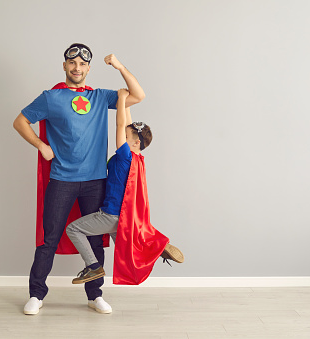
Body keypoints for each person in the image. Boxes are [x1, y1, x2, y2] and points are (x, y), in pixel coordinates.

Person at [13, 43, 145, 315]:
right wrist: (40, 144)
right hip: (62, 180)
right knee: (48, 239)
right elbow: (20, 121)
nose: (77, 68)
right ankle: (36, 295)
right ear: (64, 66)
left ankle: (94, 295)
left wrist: (119, 67)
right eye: (72, 63)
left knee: (96, 241)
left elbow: (137, 95)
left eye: (82, 64)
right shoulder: (51, 98)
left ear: (88, 68)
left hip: (96, 182)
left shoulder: (99, 97)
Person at [65, 89, 184, 292]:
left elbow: (120, 125)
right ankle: (155, 247)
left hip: (111, 215)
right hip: (124, 220)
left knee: (73, 229)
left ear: (135, 142)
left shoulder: (124, 156)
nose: (123, 136)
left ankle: (93, 267)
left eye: (127, 136)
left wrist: (121, 99)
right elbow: (127, 125)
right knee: (128, 248)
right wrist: (127, 106)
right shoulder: (138, 159)